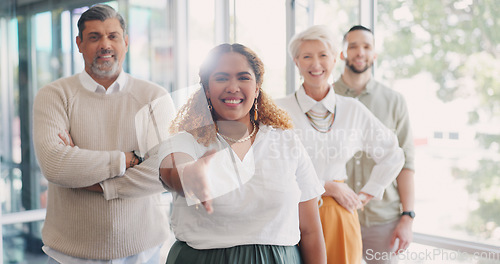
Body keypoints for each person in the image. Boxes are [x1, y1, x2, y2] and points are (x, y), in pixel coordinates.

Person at [158, 43, 327, 264]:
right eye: (221, 78)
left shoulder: (286, 142)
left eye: (243, 77)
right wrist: (188, 177)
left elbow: (311, 231)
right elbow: (172, 173)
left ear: (257, 87)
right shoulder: (184, 141)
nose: (232, 87)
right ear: (207, 89)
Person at [33, 4, 173, 263]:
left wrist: (92, 178)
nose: (104, 44)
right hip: (69, 253)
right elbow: (54, 166)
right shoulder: (54, 96)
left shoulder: (155, 97)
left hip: (144, 250)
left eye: (113, 36)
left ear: (126, 42)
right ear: (79, 43)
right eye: (94, 37)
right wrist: (129, 159)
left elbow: (163, 173)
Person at [276, 25, 405, 264]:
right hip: (290, 213)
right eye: (307, 56)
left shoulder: (352, 109)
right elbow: (271, 168)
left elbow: (393, 154)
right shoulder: (279, 110)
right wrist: (328, 186)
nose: (316, 64)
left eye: (323, 55)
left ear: (335, 58)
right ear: (296, 61)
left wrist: (366, 195)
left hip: (338, 214)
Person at [334, 25, 415, 264]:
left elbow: (406, 162)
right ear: (342, 54)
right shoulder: (326, 98)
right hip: (337, 215)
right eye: (353, 46)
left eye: (367, 46)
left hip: (384, 221)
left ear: (375, 54)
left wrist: (407, 217)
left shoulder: (394, 101)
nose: (360, 52)